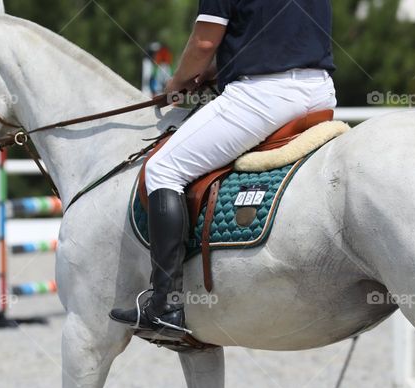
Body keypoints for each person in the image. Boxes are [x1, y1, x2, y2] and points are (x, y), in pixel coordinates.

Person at [110, 0, 338, 334]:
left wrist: (178, 81)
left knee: (163, 170)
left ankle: (166, 304)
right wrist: (220, 68)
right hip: (320, 89)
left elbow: (203, 43)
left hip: (264, 95)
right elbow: (280, 34)